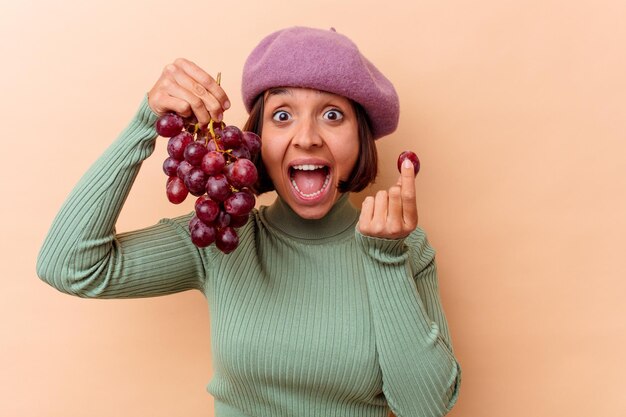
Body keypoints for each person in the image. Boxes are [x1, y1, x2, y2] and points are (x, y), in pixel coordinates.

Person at [37, 26, 461, 417]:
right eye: (282, 115)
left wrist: (385, 259)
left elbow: (425, 408)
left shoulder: (405, 248)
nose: (308, 136)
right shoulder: (224, 235)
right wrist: (146, 122)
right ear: (256, 140)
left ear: (361, 139)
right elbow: (69, 266)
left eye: (332, 115)